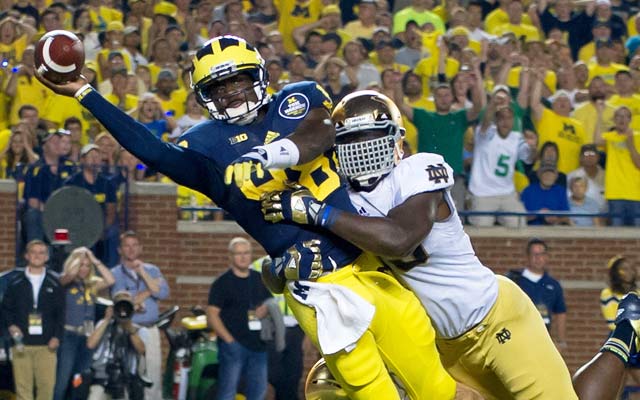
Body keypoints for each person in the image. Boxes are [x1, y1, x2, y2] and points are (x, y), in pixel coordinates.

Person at [37, 34, 459, 400]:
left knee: (434, 384)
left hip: (371, 259)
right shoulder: (204, 145)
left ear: (257, 75)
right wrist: (85, 93)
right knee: (371, 388)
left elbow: (318, 135)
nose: (230, 93)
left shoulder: (300, 98)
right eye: (217, 87)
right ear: (204, 95)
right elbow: (152, 151)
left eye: (237, 79)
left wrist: (266, 158)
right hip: (317, 281)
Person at [260, 90, 640, 400]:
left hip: (493, 320)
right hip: (442, 347)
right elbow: (296, 269)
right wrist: (281, 268)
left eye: (371, 138)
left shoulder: (417, 169)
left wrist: (317, 214)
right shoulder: (339, 200)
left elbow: (400, 238)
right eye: (352, 141)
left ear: (397, 141)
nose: (363, 149)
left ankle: (626, 330)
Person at [206, 237, 272, 400]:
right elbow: (212, 315)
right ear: (230, 256)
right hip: (233, 347)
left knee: (258, 391)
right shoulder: (222, 282)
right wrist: (229, 341)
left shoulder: (259, 279)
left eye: (246, 253)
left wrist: (265, 310)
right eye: (238, 253)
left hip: (258, 346)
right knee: (228, 392)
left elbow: (269, 305)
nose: (243, 257)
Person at [1, 240, 64, 400]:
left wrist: (57, 336)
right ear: (27, 256)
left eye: (41, 253)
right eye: (34, 252)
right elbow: (6, 309)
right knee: (23, 391)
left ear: (46, 257)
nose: (37, 256)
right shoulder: (15, 283)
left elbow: (61, 313)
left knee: (46, 389)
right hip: (22, 343)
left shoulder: (55, 283)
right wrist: (11, 326)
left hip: (47, 345)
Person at [110, 231, 169, 399]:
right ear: (119, 250)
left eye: (135, 245)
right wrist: (149, 291)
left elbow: (163, 293)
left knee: (153, 373)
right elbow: (122, 301)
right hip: (128, 329)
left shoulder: (152, 270)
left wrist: (143, 273)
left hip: (149, 328)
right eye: (126, 246)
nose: (131, 249)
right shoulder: (115, 273)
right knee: (127, 372)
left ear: (141, 248)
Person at [53, 247, 115, 400]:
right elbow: (71, 275)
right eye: (81, 265)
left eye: (87, 266)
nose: (84, 268)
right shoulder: (63, 280)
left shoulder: (91, 284)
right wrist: (79, 256)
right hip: (69, 335)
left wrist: (95, 260)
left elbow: (110, 280)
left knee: (80, 377)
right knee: (63, 378)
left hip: (87, 336)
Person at [252, 256, 305, 400]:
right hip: (273, 328)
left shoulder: (300, 261)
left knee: (294, 375)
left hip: (295, 328)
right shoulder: (258, 266)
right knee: (274, 375)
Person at [86, 291, 147, 400]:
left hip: (126, 380)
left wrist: (129, 328)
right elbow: (90, 344)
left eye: (126, 307)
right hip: (102, 378)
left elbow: (141, 350)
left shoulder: (137, 329)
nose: (122, 311)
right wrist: (107, 319)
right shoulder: (104, 324)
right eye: (120, 306)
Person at [507, 239, 568, 349]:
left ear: (547, 257)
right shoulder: (515, 280)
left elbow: (560, 313)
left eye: (542, 254)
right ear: (527, 256)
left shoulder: (553, 285)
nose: (538, 258)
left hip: (543, 338)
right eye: (534, 254)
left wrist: (561, 341)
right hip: (518, 338)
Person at [594, 105, 640, 226]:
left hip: (635, 195)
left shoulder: (638, 136)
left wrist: (630, 143)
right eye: (618, 116)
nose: (622, 119)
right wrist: (599, 115)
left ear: (630, 120)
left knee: (636, 237)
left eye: (625, 116)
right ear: (614, 120)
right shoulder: (610, 137)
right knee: (617, 235)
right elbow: (596, 140)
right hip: (615, 194)